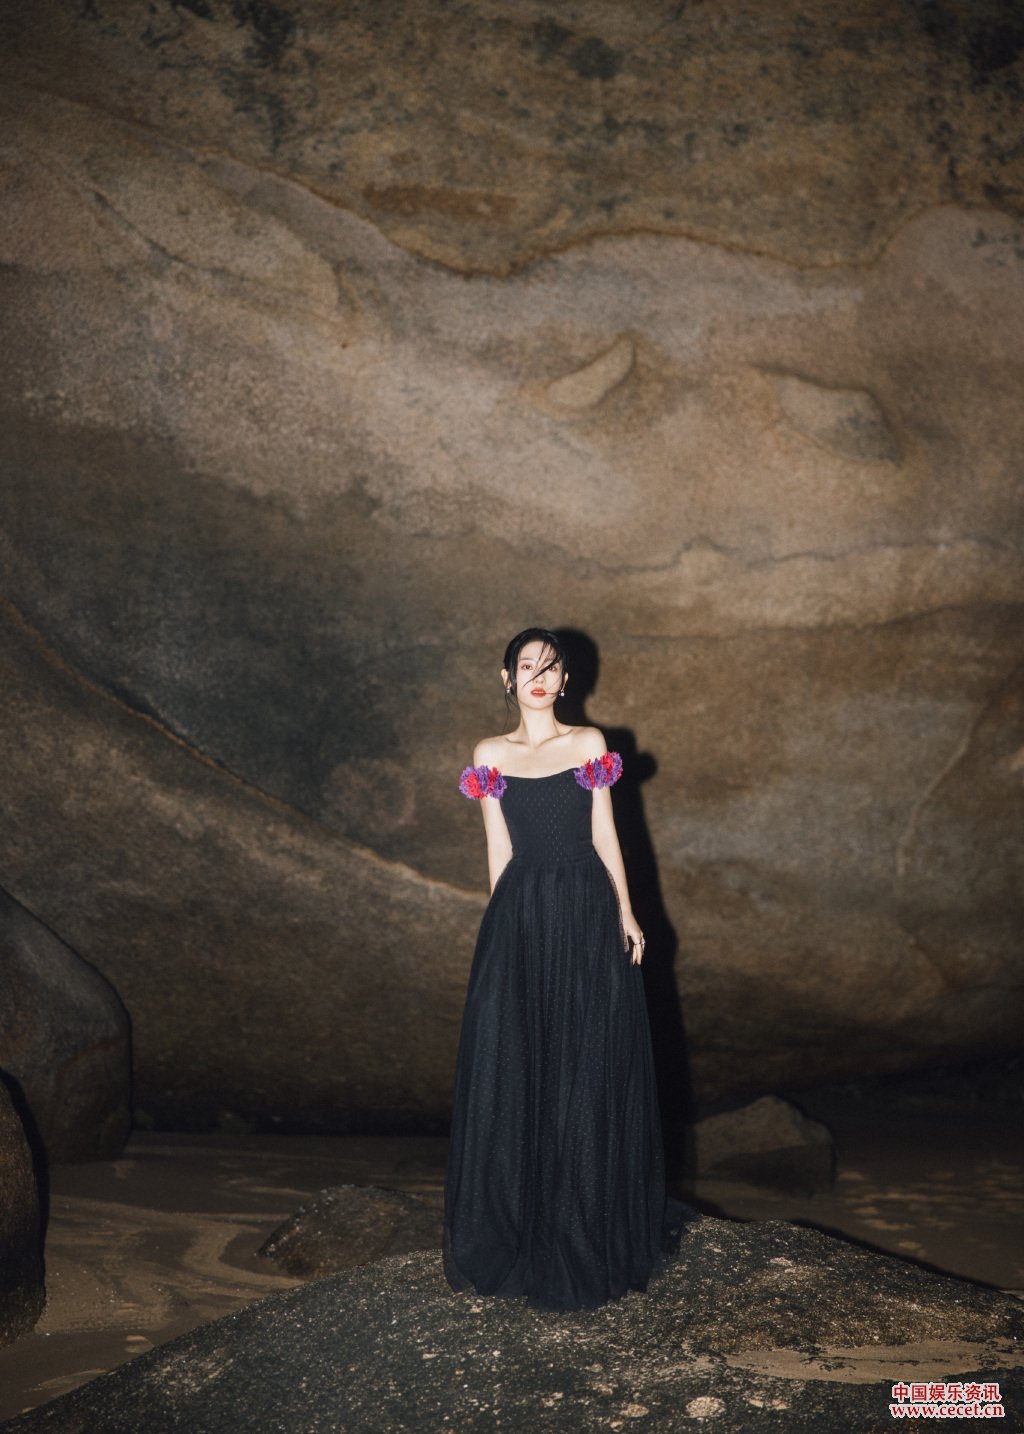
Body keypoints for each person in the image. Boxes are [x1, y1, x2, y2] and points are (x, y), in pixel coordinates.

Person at [443, 627, 687, 1311]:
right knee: (523, 1061)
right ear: (507, 679)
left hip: (584, 906)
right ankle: (523, 1225)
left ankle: (584, 1227)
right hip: (522, 911)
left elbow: (607, 834)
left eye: (551, 666)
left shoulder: (586, 744)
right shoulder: (490, 754)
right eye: (527, 666)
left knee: (585, 1060)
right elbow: (498, 847)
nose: (539, 676)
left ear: (565, 680)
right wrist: (501, 928)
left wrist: (626, 913)